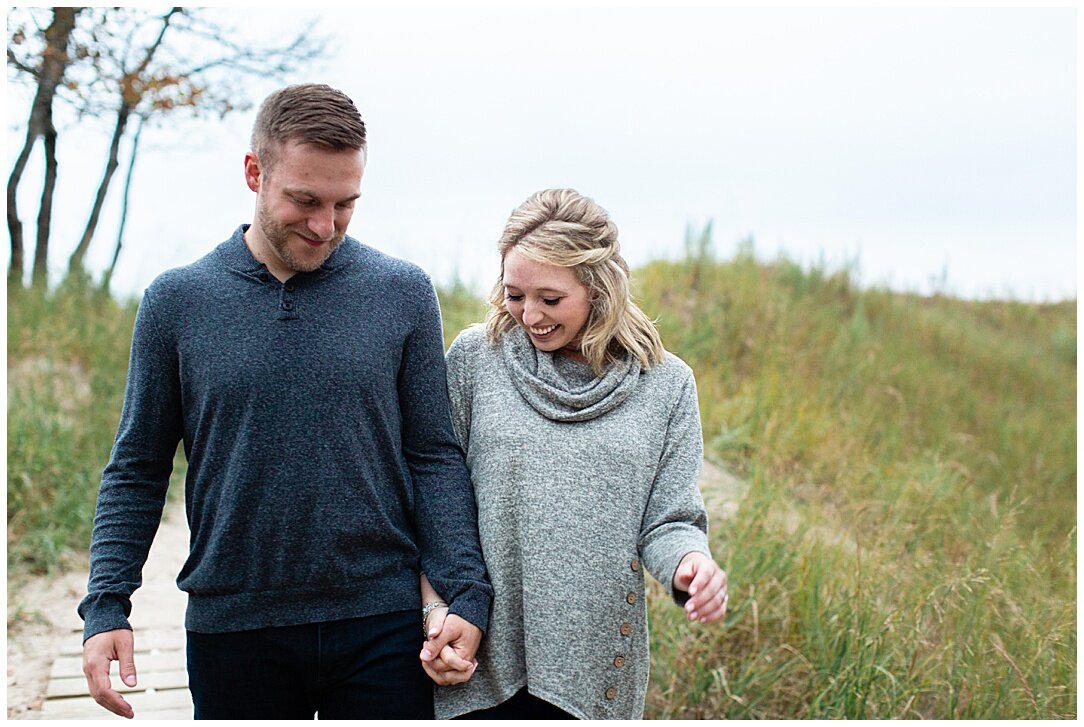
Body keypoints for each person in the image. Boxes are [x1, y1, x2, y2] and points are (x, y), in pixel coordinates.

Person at [77, 83, 492, 720]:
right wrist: (107, 604)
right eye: (305, 200)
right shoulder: (177, 303)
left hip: (381, 623)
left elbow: (432, 456)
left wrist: (466, 593)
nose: (325, 225)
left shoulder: (401, 292)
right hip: (235, 629)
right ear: (254, 171)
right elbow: (137, 467)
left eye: (345, 204)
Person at [418, 188, 729, 719]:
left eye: (550, 298)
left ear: (599, 289)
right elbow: (437, 494)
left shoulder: (666, 385)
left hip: (590, 663)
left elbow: (667, 519)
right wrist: (438, 608)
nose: (530, 314)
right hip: (479, 652)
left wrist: (689, 563)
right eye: (515, 295)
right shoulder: (476, 360)